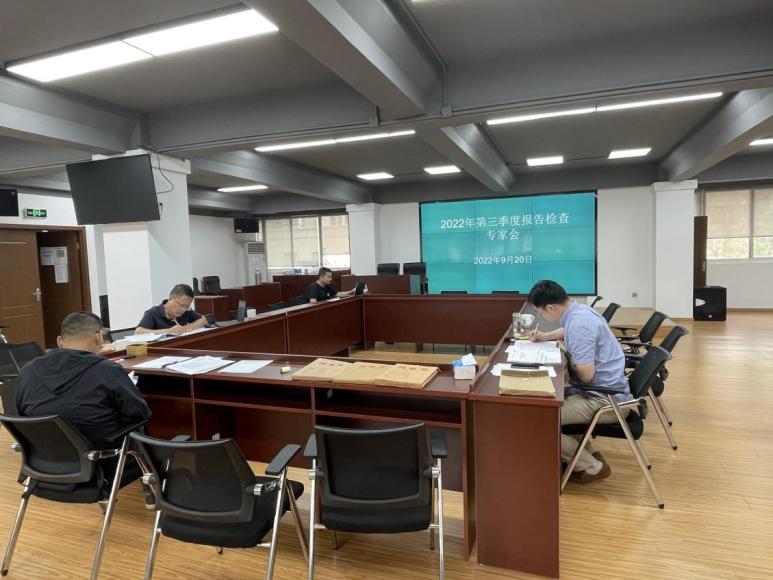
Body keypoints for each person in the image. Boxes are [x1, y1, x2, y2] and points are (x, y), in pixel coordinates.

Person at [528, 280, 630, 483]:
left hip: (605, 400)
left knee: (538, 420)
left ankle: (592, 467)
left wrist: (568, 352)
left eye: (540, 313)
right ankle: (588, 453)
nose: (541, 317)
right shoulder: (579, 312)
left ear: (550, 308)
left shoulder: (579, 324)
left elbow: (586, 375)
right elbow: (567, 330)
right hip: (608, 391)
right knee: (548, 403)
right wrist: (546, 336)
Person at [16, 311, 151, 451]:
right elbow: (140, 413)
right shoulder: (107, 370)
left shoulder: (28, 370)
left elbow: (22, 415)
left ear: (60, 341)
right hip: (102, 457)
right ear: (98, 338)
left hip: (44, 457)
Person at [135, 283, 207, 335]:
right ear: (171, 298)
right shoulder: (153, 313)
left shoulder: (186, 311)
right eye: (181, 305)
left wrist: (186, 328)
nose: (183, 309)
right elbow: (138, 332)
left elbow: (203, 320)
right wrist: (168, 331)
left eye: (187, 306)